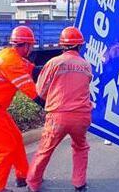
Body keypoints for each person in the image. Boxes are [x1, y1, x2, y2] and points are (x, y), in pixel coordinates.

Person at [0, 26, 45, 192]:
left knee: (16, 139)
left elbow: (33, 70)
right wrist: (50, 105)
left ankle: (23, 176)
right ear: (25, 45)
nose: (32, 49)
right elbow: (31, 91)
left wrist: (56, 68)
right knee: (5, 150)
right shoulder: (11, 62)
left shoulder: (10, 55)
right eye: (31, 46)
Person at [27, 27, 92, 192]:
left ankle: (33, 183)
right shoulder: (86, 65)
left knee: (45, 150)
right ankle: (79, 184)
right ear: (80, 46)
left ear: (62, 45)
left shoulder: (54, 63)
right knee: (80, 147)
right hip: (81, 116)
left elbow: (40, 90)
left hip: (58, 117)